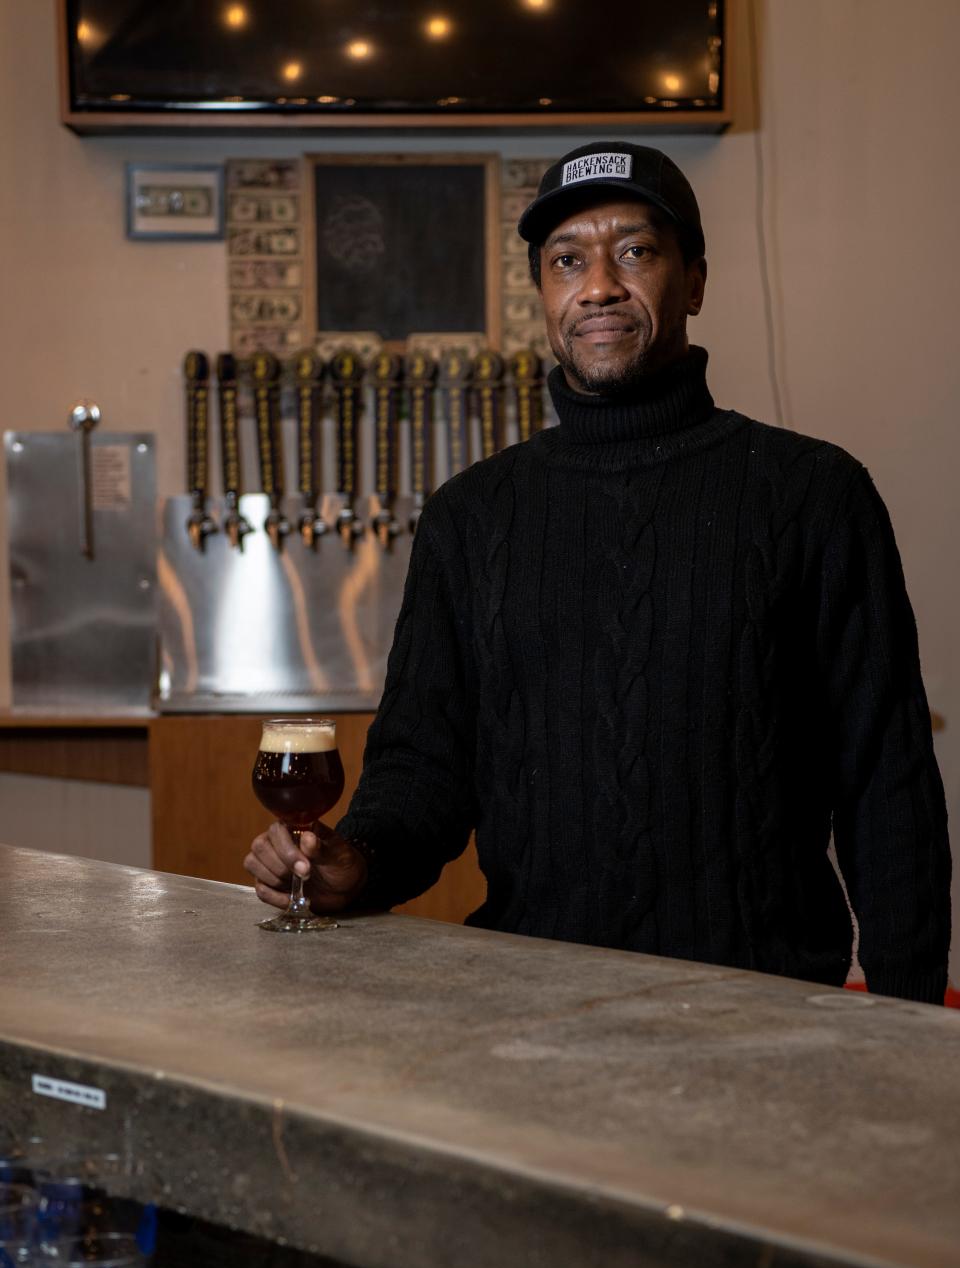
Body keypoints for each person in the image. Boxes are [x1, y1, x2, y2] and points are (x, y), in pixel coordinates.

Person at [245, 141, 950, 1004]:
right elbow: (425, 769)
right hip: (527, 1003)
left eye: (636, 251)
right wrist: (358, 860)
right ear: (544, 293)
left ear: (693, 281)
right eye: (567, 260)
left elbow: (888, 783)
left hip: (765, 1004)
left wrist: (910, 1023)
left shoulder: (813, 494)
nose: (600, 284)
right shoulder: (474, 515)